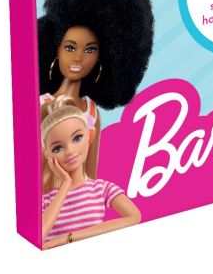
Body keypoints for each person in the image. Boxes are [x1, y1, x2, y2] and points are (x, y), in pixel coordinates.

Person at [38, 0, 155, 184]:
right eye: (70, 47)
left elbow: (91, 177)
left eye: (90, 49)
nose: (78, 57)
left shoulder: (91, 112)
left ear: (103, 58)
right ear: (56, 50)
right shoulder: (42, 105)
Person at [40, 102, 140, 247]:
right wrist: (65, 184)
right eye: (57, 148)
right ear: (48, 155)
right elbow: (39, 236)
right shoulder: (45, 201)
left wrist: (68, 238)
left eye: (77, 138)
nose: (70, 151)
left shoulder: (101, 189)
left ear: (88, 136)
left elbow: (134, 216)